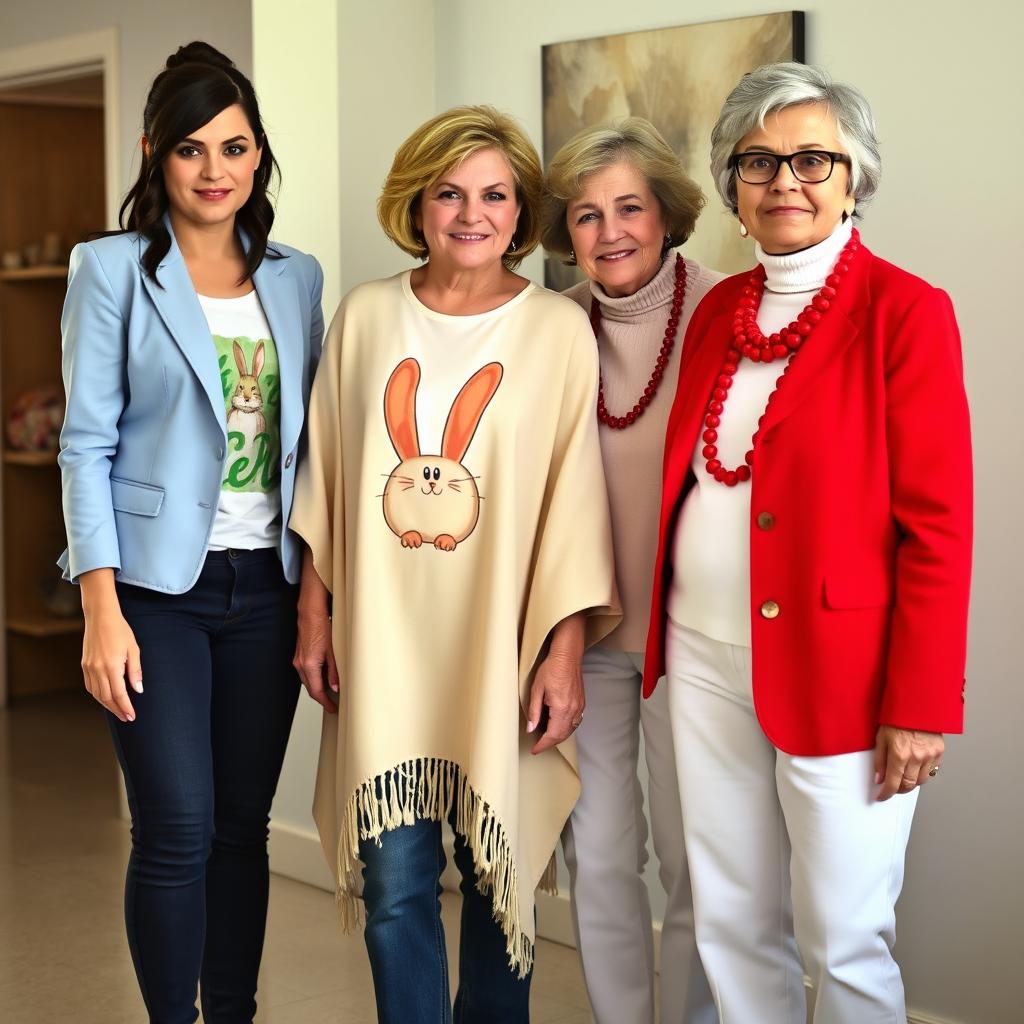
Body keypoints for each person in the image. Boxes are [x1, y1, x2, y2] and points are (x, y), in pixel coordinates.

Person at [643, 62, 972, 1022]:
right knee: (733, 918)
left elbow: (939, 526)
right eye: (759, 162)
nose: (786, 180)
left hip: (845, 672)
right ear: (734, 190)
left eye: (812, 159)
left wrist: (919, 701)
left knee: (844, 931)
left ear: (853, 177)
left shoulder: (906, 313)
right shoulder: (718, 312)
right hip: (702, 658)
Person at [289, 105, 620, 1024]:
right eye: (450, 193)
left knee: (492, 881)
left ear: (520, 212)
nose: (472, 214)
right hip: (381, 646)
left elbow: (573, 504)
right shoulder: (364, 316)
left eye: (495, 195)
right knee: (396, 886)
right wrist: (315, 620)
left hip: (499, 652)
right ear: (418, 203)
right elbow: (329, 480)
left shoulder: (557, 331)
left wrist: (561, 653)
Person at [58, 42, 324, 1024]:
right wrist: (100, 608)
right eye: (191, 149)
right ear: (153, 155)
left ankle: (233, 1014)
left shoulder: (296, 279)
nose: (215, 170)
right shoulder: (114, 269)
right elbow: (83, 445)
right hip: (153, 597)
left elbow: (310, 452)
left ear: (258, 156)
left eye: (235, 147)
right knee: (175, 826)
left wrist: (317, 599)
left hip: (267, 588)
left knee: (240, 831)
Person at [541, 118, 718, 1024]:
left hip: (696, 644)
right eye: (585, 214)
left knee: (697, 856)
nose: (610, 232)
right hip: (587, 638)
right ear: (563, 231)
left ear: (667, 214)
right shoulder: (548, 326)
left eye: (629, 208)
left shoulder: (725, 313)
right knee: (601, 853)